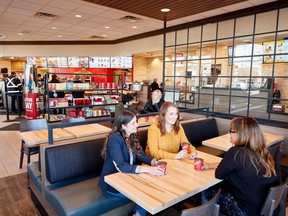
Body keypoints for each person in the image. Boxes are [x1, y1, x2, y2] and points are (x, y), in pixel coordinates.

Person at [201, 117, 279, 216]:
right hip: (264, 208)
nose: (228, 134)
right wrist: (210, 165)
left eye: (231, 131)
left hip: (246, 211)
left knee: (206, 192)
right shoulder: (261, 151)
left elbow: (219, 174)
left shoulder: (236, 152)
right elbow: (234, 165)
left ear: (241, 134)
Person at [98, 110, 164, 216]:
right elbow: (121, 166)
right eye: (133, 123)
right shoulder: (114, 138)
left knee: (154, 186)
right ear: (123, 126)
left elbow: (140, 154)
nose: (137, 125)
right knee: (147, 193)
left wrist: (154, 162)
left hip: (128, 177)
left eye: (136, 121)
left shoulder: (131, 135)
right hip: (113, 183)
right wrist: (147, 169)